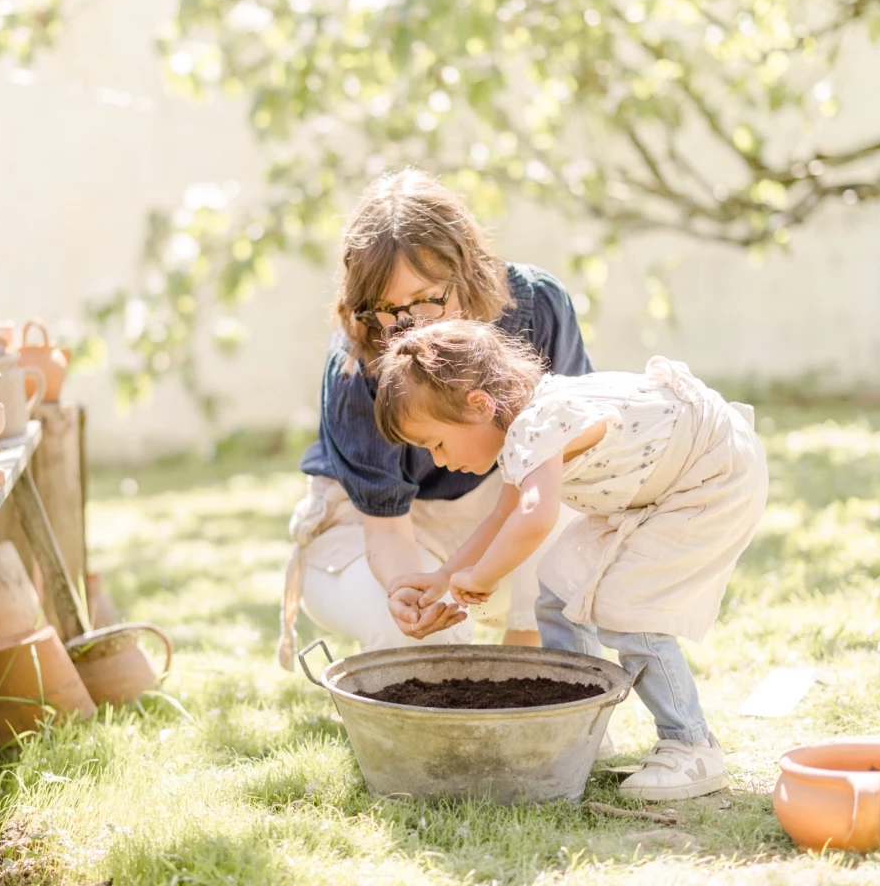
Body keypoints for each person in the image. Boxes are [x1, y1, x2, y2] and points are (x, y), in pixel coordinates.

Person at [372, 320, 768, 800]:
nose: (437, 460)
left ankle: (691, 746)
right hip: (655, 489)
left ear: (479, 405)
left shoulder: (538, 423)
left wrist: (483, 577)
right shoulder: (523, 427)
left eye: (436, 443)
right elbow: (505, 513)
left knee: (629, 607)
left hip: (709, 474)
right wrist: (442, 576)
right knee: (559, 588)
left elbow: (536, 518)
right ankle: (581, 727)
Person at [279, 169, 591, 668]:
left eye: (427, 299)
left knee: (565, 521)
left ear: (466, 269)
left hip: (503, 501)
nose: (409, 327)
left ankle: (545, 692)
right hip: (374, 527)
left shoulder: (537, 307)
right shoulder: (357, 363)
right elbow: (385, 529)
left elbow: (567, 466)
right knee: (423, 636)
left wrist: (524, 630)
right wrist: (410, 591)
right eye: (386, 308)